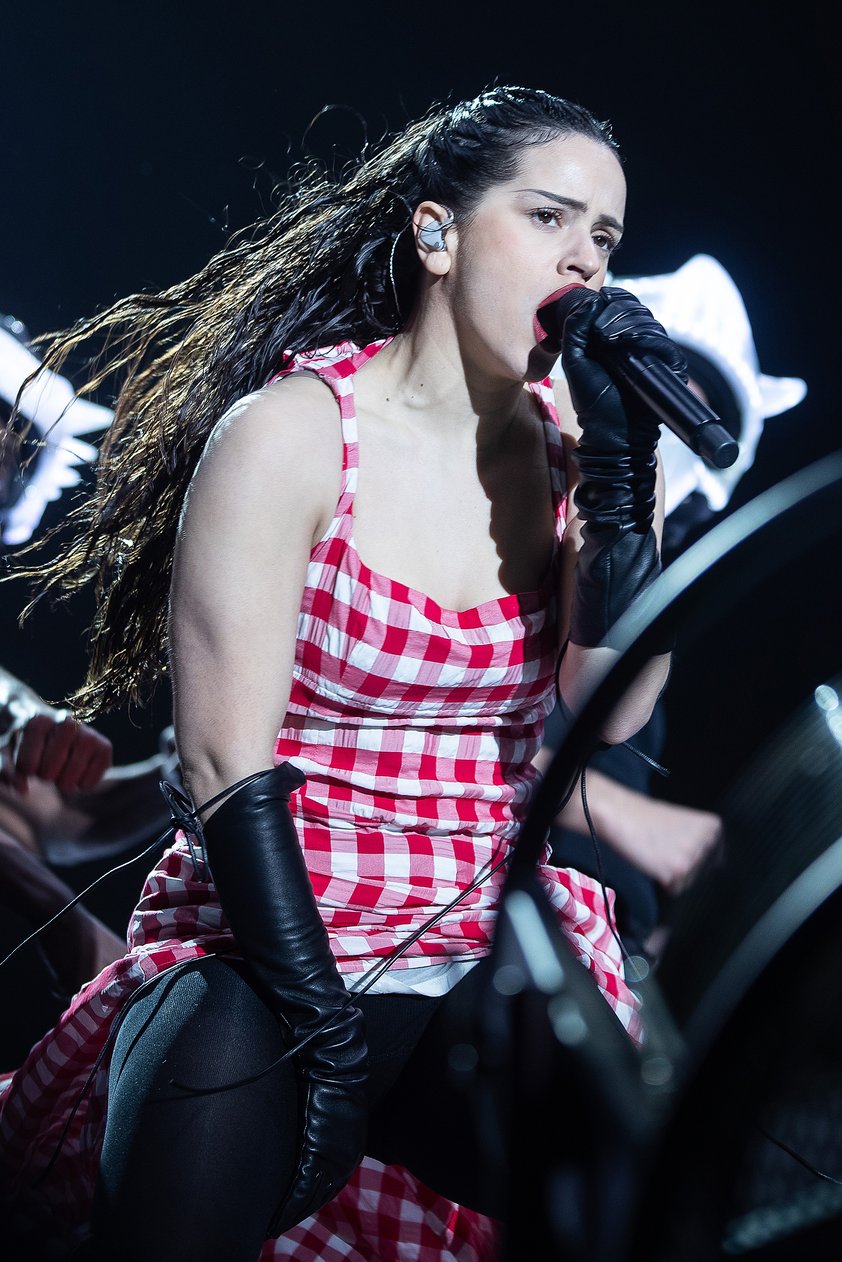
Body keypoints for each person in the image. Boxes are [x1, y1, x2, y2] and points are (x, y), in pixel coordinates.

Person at [0, 85, 679, 1261]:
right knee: (209, 1087)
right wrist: (318, 1025)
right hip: (276, 930)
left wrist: (621, 484)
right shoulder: (292, 433)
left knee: (629, 1162)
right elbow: (222, 762)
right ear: (437, 232)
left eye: (604, 239)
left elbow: (611, 708)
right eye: (550, 218)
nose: (585, 262)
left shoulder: (575, 463)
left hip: (480, 930)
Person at [540, 254, 808, 960]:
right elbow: (435, 731)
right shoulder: (539, 508)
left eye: (704, 393)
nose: (682, 397)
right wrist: (632, 822)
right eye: (670, 370)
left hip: (594, 947)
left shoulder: (650, 572)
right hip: (473, 921)